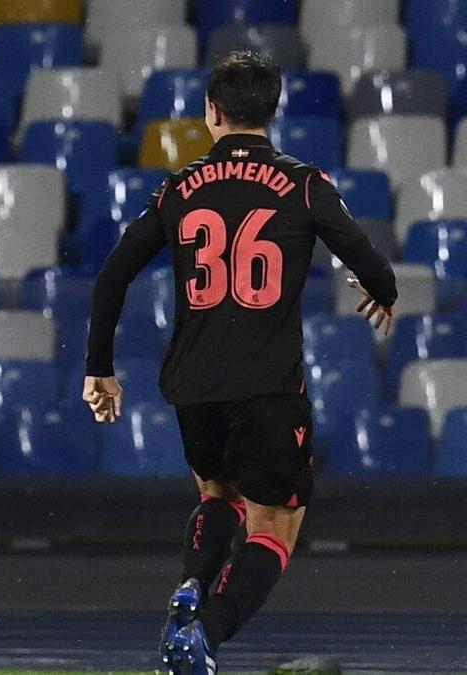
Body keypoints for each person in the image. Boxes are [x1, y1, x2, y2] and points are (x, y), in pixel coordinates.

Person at [82, 52, 398, 675]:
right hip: (268, 386)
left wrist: (99, 366)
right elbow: (370, 261)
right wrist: (381, 291)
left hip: (193, 385)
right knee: (276, 525)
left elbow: (113, 274)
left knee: (217, 492)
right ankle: (207, 634)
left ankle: (191, 589)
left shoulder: (176, 188)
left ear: (211, 112)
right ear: (273, 112)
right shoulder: (305, 184)